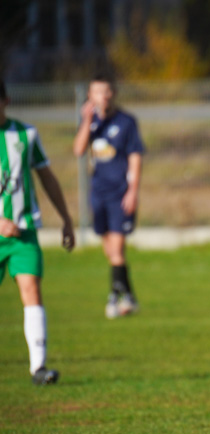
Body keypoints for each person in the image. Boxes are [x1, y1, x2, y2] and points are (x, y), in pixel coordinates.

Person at [0, 80, 76, 385]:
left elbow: (47, 177)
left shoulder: (25, 134)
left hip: (23, 233)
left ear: (5, 100)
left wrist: (66, 218)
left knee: (31, 290)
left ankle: (38, 368)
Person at [73, 74, 144, 319]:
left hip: (120, 194)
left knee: (117, 249)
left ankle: (114, 298)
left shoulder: (126, 122)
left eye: (105, 92)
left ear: (111, 94)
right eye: (96, 93)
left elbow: (135, 156)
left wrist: (133, 191)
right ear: (90, 97)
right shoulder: (91, 123)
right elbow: (78, 150)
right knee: (111, 252)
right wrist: (86, 121)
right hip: (99, 193)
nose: (101, 97)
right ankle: (129, 297)